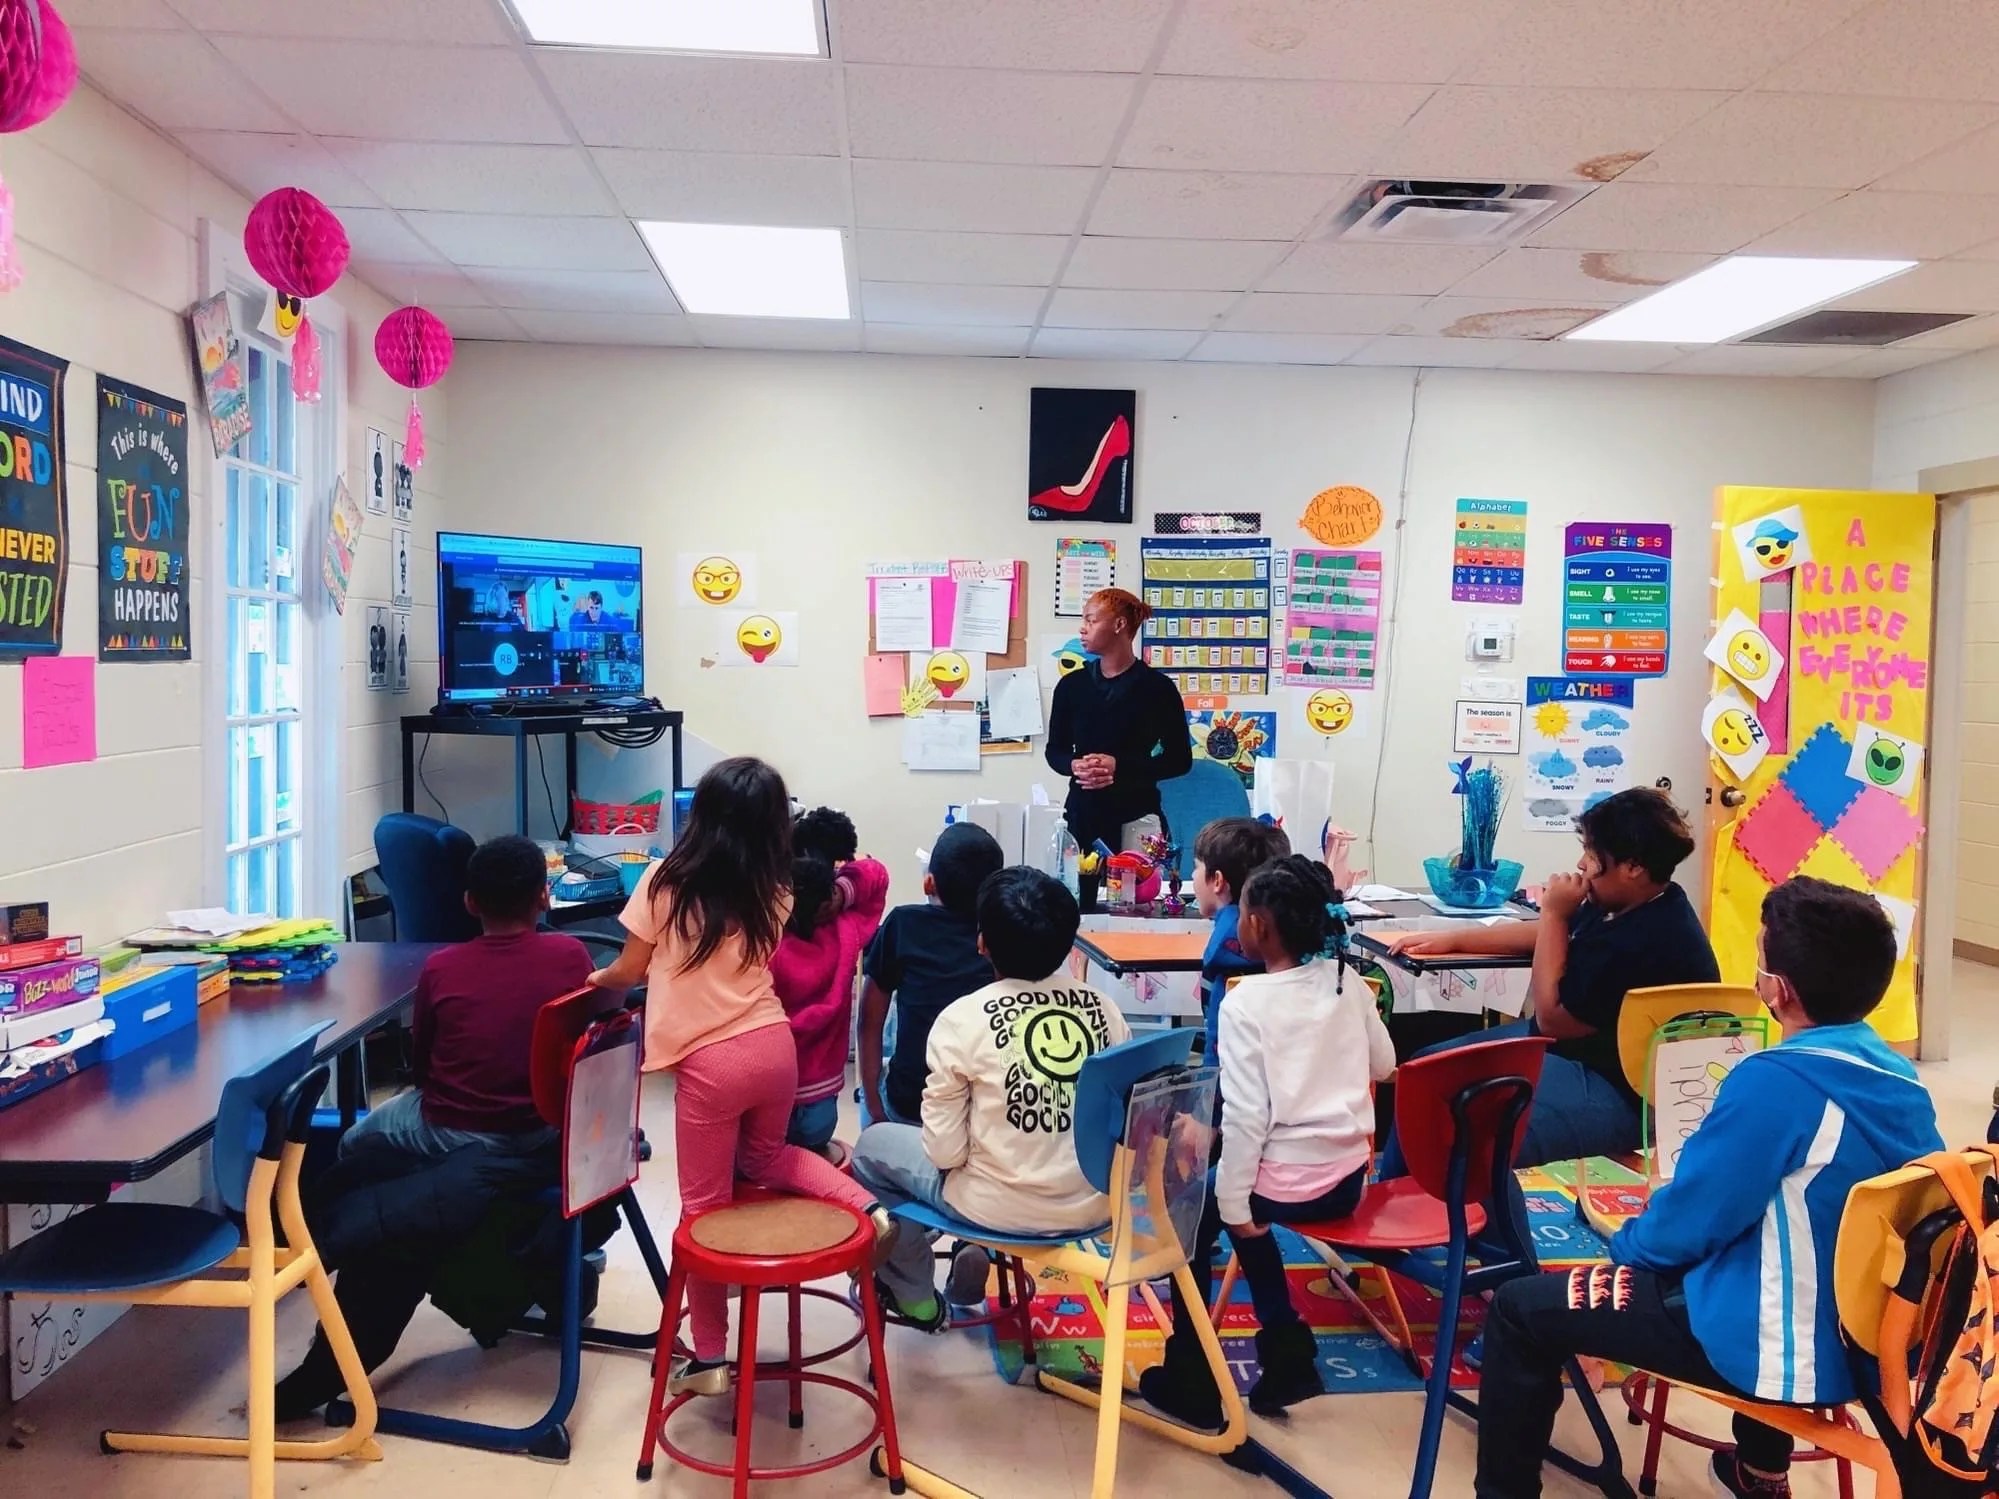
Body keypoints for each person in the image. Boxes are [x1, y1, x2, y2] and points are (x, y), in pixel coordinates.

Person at [1473, 878, 1943, 1499]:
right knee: (1781, 1244)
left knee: (1519, 1309)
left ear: (1776, 989)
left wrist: (1626, 1247)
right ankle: (1761, 1473)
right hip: (1874, 1336)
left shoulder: (1774, 1084)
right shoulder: (1897, 1076)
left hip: (1778, 1346)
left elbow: (1687, 1226)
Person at [588, 757, 888, 1396]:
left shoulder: (666, 882)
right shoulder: (772, 886)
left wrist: (596, 979)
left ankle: (712, 1358)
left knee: (703, 1209)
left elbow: (631, 969)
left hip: (711, 1062)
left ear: (701, 815)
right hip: (773, 1047)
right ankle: (868, 1207)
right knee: (770, 1155)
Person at [1140, 855, 1394, 1428]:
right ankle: (1285, 1351)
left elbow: (1250, 1120)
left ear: (1258, 926)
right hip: (1348, 1178)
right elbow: (1385, 1063)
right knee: (1235, 1205)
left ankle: (1192, 1374)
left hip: (1289, 1181)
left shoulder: (1246, 1002)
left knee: (1194, 1213)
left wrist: (1233, 1205)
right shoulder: (1346, 980)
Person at [851, 867, 1132, 1329]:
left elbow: (943, 1151)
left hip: (994, 1207)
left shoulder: (961, 1019)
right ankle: (972, 1257)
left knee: (869, 1150)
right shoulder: (1106, 1010)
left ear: (982, 943)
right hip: (1092, 1204)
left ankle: (916, 1293)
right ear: (1068, 944)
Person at [1387, 787, 1719, 1168]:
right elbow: (1546, 938)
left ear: (1633, 866)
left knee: (1469, 1128)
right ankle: (1397, 1203)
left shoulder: (1653, 936)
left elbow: (1551, 1020)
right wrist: (1453, 939)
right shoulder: (1625, 900)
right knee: (1423, 1070)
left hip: (1625, 1093)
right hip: (1575, 1055)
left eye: (1593, 856)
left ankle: (1466, 1223)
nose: (1580, 864)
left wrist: (1554, 913)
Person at [341, 835, 588, 1166]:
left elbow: (422, 1063)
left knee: (350, 1142)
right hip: (548, 1128)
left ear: (470, 902)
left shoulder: (442, 967)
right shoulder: (572, 955)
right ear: (544, 897)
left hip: (456, 1130)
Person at [1045, 588, 1192, 903]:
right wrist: (1074, 764)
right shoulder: (1072, 686)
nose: (1082, 628)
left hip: (1137, 815)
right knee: (1078, 907)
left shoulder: (1158, 689)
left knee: (1133, 908)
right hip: (1083, 815)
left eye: (1091, 620)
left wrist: (1120, 766)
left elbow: (1180, 759)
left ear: (1119, 625)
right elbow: (1054, 751)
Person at [856, 822, 1006, 1129]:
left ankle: (876, 1128)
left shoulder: (903, 923)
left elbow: (868, 1019)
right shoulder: (1000, 932)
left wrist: (873, 1100)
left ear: (929, 883)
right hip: (978, 1111)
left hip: (910, 1106)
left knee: (892, 1020)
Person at [772, 844, 889, 1158]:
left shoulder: (767, 946)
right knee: (812, 1158)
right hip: (821, 1104)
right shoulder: (845, 932)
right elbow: (876, 873)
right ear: (827, 902)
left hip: (771, 1097)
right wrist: (842, 891)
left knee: (764, 1165)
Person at [1191, 816, 1293, 1064]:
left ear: (1217, 881)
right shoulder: (1288, 932)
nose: (1193, 876)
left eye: (1196, 867)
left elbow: (1218, 1044)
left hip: (1229, 1081)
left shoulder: (1228, 946)